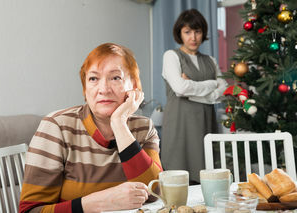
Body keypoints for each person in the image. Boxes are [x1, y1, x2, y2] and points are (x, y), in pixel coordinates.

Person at [19, 43, 163, 213]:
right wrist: (101, 202)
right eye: (93, 79)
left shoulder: (143, 128)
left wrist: (119, 123)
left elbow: (155, 193)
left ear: (134, 87)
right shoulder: (57, 126)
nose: (103, 89)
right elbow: (30, 211)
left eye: (116, 77)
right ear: (85, 88)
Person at [161, 9, 228, 184]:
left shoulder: (210, 60)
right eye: (187, 32)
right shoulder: (171, 56)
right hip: (179, 126)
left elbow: (224, 90)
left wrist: (192, 88)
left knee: (207, 178)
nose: (193, 37)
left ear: (203, 33)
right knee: (178, 179)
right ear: (180, 33)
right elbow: (180, 88)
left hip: (205, 126)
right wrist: (212, 84)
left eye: (197, 32)